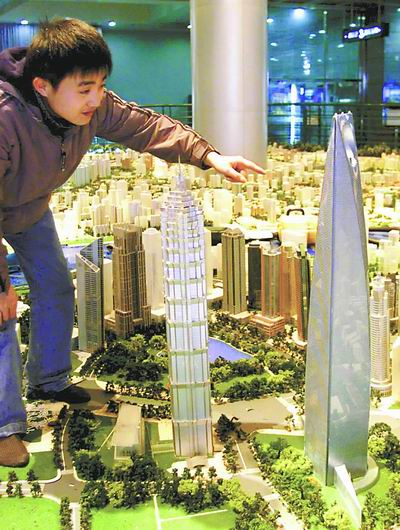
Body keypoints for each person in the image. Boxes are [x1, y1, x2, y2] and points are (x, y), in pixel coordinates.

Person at [0, 18, 264, 467]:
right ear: (42, 86)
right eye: (85, 89)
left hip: (27, 206)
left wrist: (208, 155)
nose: (96, 98)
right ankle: (4, 425)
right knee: (2, 311)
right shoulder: (6, 118)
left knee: (57, 289)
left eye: (101, 85)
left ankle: (48, 380)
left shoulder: (93, 107)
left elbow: (147, 127)